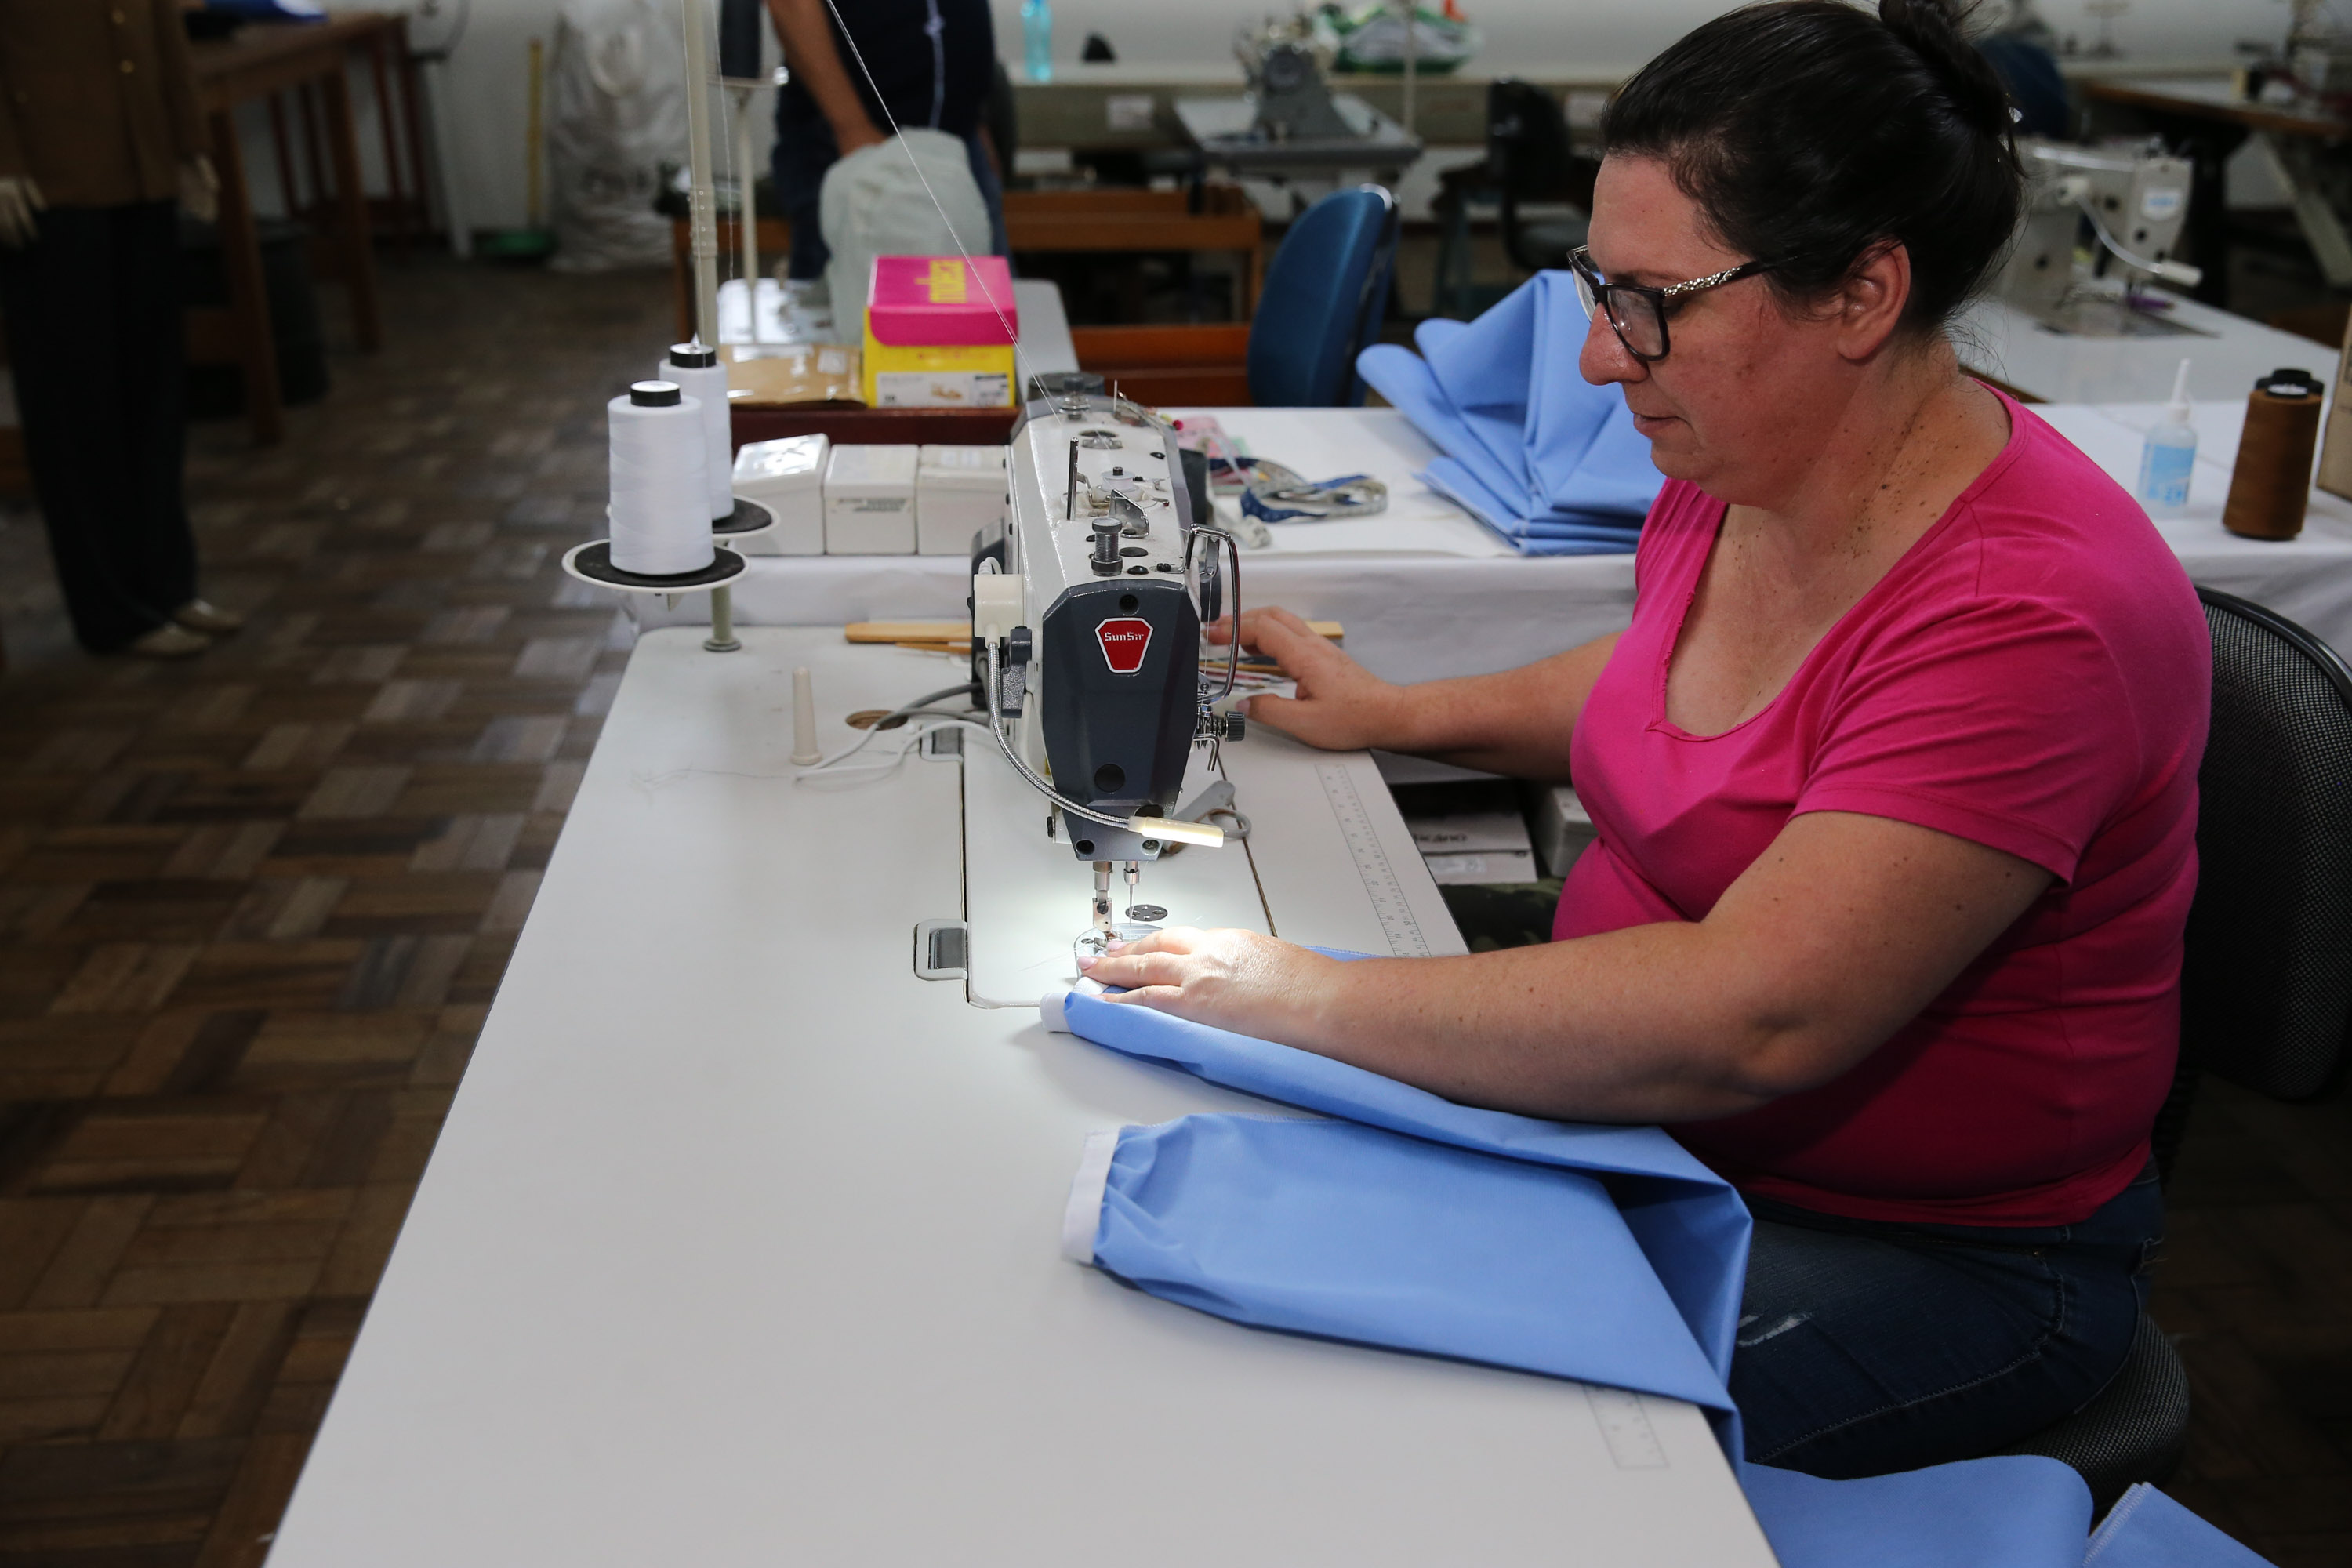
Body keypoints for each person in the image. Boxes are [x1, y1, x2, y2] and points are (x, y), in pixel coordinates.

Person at [1081, 0, 2209, 1481]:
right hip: (1668, 1146)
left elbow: (1758, 1016)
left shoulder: (2031, 617)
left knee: (1421, 1455)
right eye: (1597, 290)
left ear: (1863, 294)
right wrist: (1399, 717)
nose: (1606, 363)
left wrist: (1308, 993)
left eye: (1653, 302)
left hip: (1942, 1258)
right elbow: (1686, 683)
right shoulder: (1742, 458)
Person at [0, 0, 242, 658]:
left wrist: (189, 141)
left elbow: (161, 23)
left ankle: (168, 586)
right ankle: (113, 612)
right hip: (49, 175)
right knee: (77, 406)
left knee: (154, 393)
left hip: (140, 161)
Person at [762, 0, 1006, 284]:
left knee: (979, 315)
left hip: (958, 148)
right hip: (855, 152)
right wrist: (851, 128)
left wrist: (973, 120)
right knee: (859, 316)